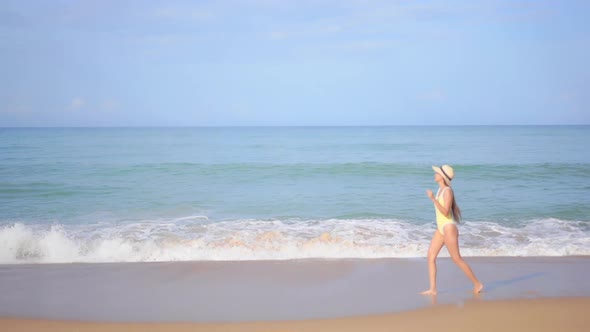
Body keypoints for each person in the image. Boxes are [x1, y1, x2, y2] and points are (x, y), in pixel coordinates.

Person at [420, 165, 483, 295]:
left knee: (456, 258)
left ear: (442, 177)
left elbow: (445, 211)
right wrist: (434, 198)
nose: (435, 174)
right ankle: (433, 289)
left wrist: (432, 199)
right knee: (430, 257)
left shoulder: (447, 191)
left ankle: (478, 284)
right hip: (441, 228)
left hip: (449, 228)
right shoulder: (440, 190)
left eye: (437, 173)